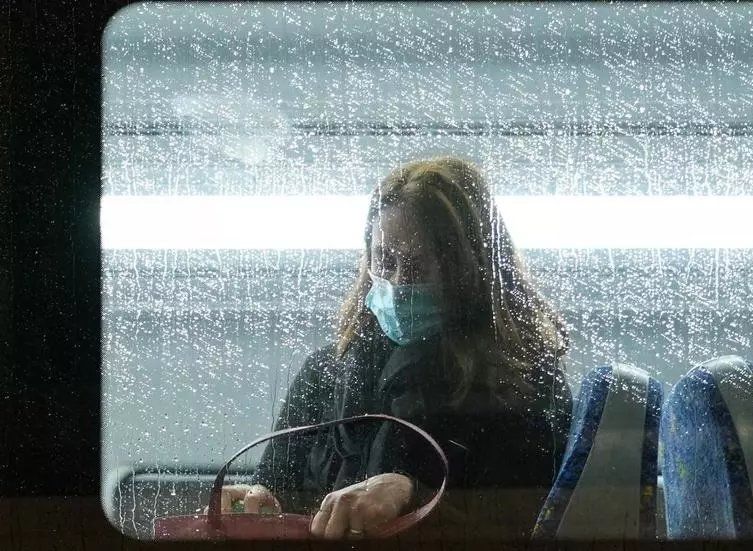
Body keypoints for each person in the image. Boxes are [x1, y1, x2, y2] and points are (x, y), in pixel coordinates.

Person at [218, 156, 573, 540]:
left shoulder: (525, 385)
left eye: (419, 267)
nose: (399, 284)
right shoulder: (325, 373)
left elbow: (522, 521)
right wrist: (255, 502)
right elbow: (275, 486)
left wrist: (413, 494)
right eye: (385, 262)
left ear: (468, 275)